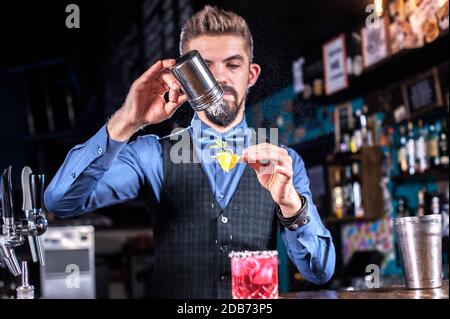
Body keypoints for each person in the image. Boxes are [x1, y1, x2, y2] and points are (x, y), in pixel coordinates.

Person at [44, 5, 335, 299]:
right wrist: (127, 121)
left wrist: (292, 206)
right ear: (184, 78)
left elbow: (320, 272)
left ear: (251, 74)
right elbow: (61, 202)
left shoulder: (284, 163)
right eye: (205, 67)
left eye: (233, 65)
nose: (219, 78)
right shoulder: (152, 155)